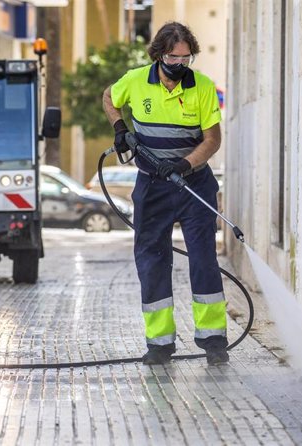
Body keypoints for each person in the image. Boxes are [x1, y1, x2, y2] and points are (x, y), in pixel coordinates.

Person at [102, 22, 228, 365]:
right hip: (152, 186)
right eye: (174, 57)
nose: (181, 64)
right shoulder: (136, 79)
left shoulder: (202, 87)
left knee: (203, 259)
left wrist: (184, 166)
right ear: (159, 54)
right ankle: (159, 343)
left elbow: (212, 140)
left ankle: (213, 338)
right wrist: (119, 127)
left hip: (193, 183)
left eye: (187, 58)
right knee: (153, 260)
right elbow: (109, 96)